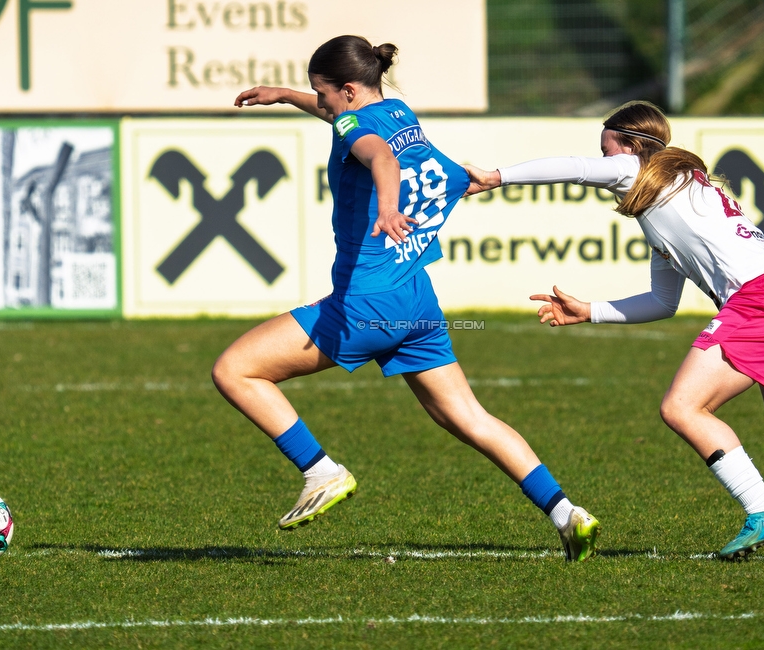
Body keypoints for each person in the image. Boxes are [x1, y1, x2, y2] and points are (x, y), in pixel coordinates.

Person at [464, 100, 764, 560]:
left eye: (606, 149)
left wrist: (498, 177)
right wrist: (589, 311)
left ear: (631, 145)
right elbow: (664, 302)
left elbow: (574, 169)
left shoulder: (640, 168)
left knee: (681, 407)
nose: (603, 159)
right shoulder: (668, 196)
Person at [213, 35, 600, 561]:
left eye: (321, 93)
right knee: (469, 417)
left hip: (367, 305)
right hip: (416, 302)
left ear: (348, 91)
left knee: (235, 370)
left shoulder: (355, 127)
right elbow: (368, 132)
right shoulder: (398, 113)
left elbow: (376, 154)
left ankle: (321, 471)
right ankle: (566, 513)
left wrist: (389, 207)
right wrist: (284, 95)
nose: (320, 103)